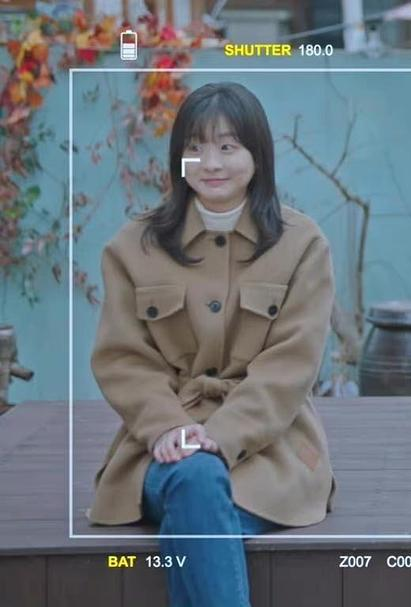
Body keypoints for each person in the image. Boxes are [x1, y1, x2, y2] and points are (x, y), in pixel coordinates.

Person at [88, 81, 336, 606]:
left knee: (195, 502)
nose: (211, 163)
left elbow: (291, 364)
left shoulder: (301, 244)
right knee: (195, 481)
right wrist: (169, 427)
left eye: (228, 146)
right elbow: (123, 358)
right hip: (162, 448)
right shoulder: (132, 247)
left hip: (272, 451)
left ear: (257, 155)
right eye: (195, 148)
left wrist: (221, 435)